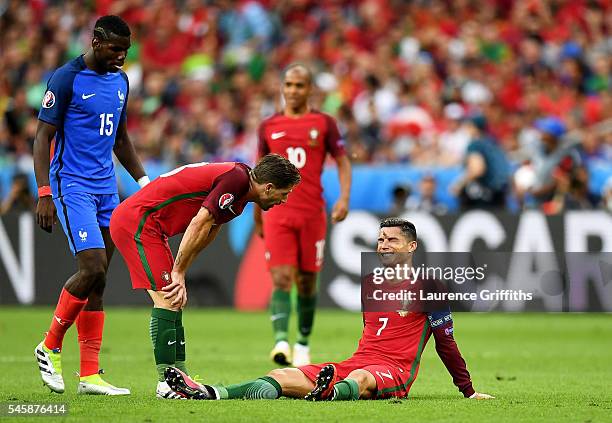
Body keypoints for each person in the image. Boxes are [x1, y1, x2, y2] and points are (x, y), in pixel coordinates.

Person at [163, 218, 494, 401]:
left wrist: (467, 391)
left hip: (392, 372)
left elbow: (445, 343)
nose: (383, 245)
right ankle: (212, 393)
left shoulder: (431, 286)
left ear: (411, 247)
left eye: (392, 240)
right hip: (356, 363)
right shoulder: (371, 283)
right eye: (380, 239)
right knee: (283, 375)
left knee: (362, 379)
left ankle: (328, 392)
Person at [109, 154, 301, 399]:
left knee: (174, 300)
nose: (283, 200)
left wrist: (183, 272)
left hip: (152, 227)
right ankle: (166, 383)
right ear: (269, 187)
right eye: (284, 193)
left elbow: (209, 229)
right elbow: (200, 221)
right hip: (138, 222)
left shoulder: (240, 191)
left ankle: (180, 378)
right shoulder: (237, 180)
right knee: (168, 299)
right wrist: (178, 271)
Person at [33, 15, 149, 396]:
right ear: (96, 41)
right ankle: (49, 345)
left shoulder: (121, 81)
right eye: (116, 49)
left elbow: (121, 138)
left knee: (99, 279)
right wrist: (45, 191)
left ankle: (89, 375)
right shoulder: (66, 78)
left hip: (107, 189)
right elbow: (42, 137)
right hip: (73, 186)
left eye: (126, 51)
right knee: (92, 265)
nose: (122, 57)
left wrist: (144, 182)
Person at [255, 63, 352, 367]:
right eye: (288, 85)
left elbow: (343, 161)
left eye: (299, 85)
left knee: (307, 282)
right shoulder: (268, 126)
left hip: (312, 213)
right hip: (278, 213)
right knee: (281, 278)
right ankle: (281, 341)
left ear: (310, 89)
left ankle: (303, 344)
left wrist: (344, 199)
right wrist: (258, 213)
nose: (292, 90)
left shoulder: (324, 123)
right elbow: (257, 173)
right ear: (282, 88)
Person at [453, 114, 509, 209]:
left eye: (468, 126)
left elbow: (477, 169)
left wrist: (459, 185)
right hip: (500, 194)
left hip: (483, 196)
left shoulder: (475, 145)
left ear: (474, 127)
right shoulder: (493, 142)